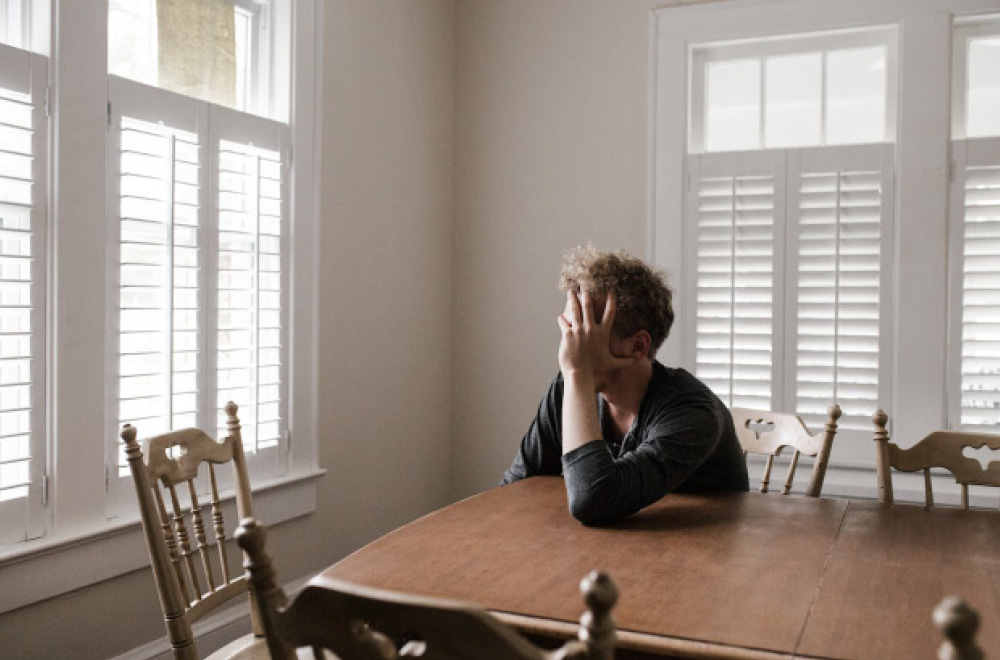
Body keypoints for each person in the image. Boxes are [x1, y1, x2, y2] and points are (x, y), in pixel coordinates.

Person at [501, 245, 749, 525]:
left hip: (703, 555)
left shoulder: (693, 413)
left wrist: (577, 374)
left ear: (637, 346)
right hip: (610, 551)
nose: (570, 345)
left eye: (585, 331)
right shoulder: (569, 388)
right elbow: (515, 487)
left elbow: (593, 500)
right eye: (570, 328)